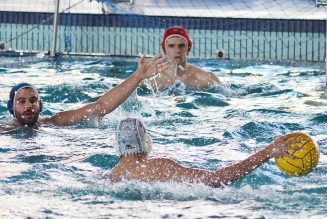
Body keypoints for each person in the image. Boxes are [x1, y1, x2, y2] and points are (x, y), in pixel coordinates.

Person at [107, 118, 302, 188]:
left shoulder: (113, 175)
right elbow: (218, 179)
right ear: (146, 142)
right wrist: (268, 152)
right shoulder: (161, 166)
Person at [1, 55, 169, 130]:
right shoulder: (4, 130)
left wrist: (138, 75)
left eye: (32, 100)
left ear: (40, 104)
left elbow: (101, 106)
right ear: (11, 107)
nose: (28, 105)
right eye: (21, 101)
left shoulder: (56, 122)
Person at [141, 26, 221, 91]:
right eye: (171, 46)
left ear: (188, 48)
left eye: (181, 46)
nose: (177, 51)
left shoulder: (207, 78)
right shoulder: (149, 79)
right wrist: (139, 76)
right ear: (165, 49)